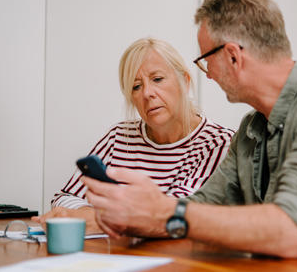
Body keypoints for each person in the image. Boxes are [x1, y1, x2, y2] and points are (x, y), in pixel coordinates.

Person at [82, 0, 297, 271]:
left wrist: (166, 211)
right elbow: (202, 207)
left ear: (232, 56)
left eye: (205, 60)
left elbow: (289, 230)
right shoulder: (250, 129)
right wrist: (137, 212)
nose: (207, 73)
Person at [32, 37, 234, 233]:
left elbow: (176, 215)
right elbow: (65, 196)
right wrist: (90, 213)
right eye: (136, 86)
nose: (147, 93)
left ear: (185, 81)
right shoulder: (119, 136)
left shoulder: (217, 144)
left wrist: (98, 218)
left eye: (157, 79)